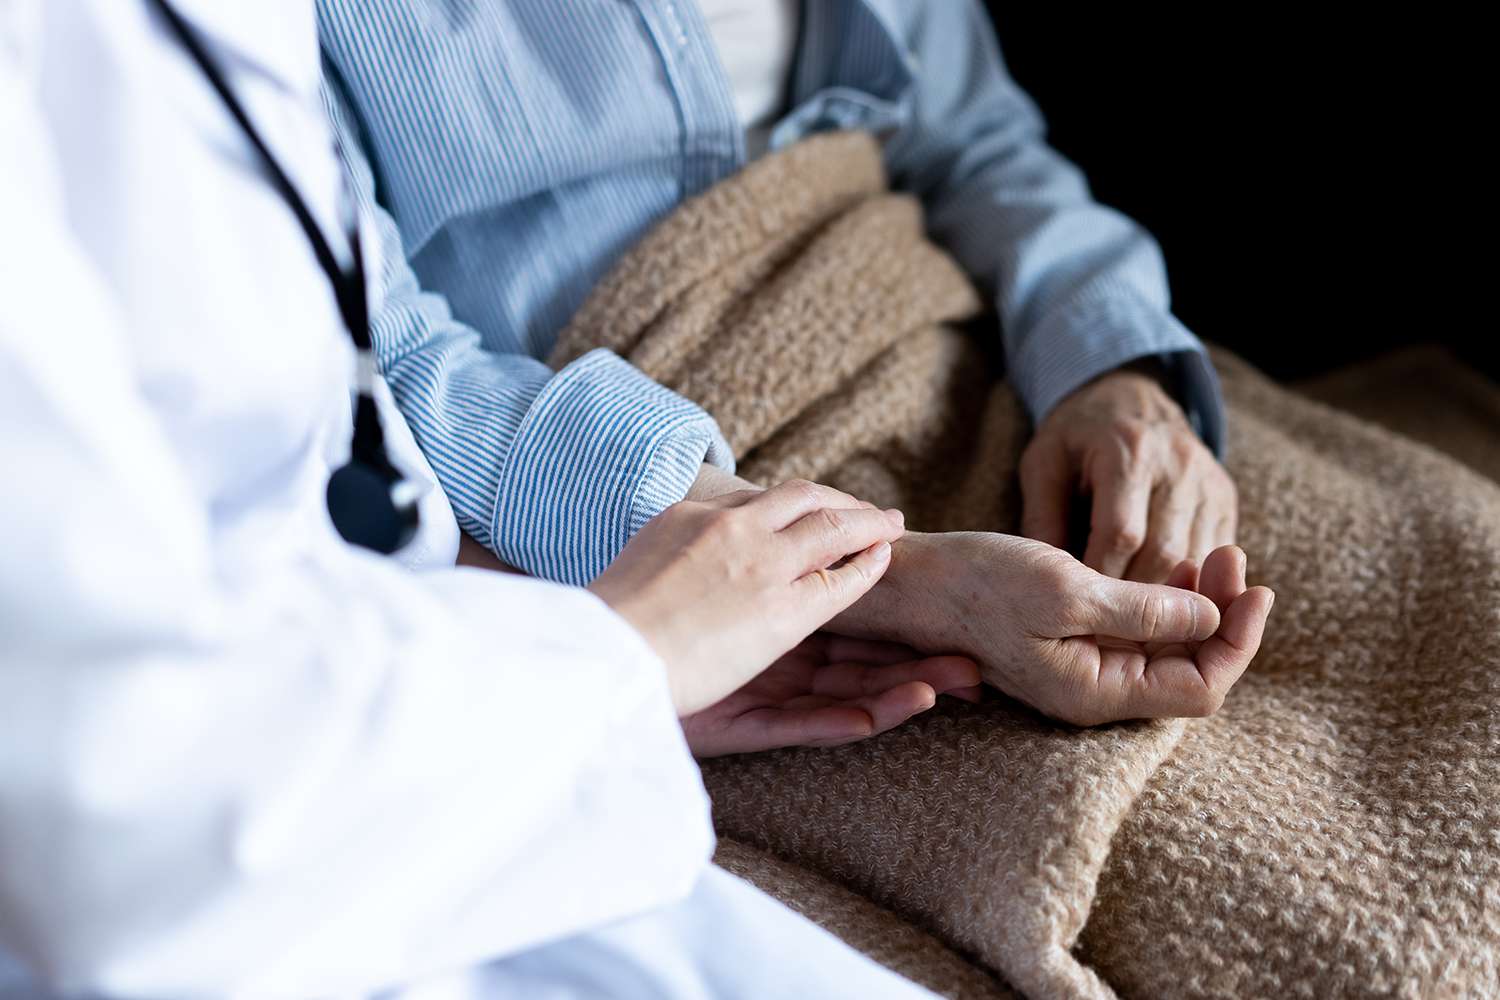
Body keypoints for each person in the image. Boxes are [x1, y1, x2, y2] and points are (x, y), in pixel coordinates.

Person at [0, 1, 1002, 994]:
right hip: (292, 835)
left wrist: (536, 648)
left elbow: (330, 445)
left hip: (443, 688)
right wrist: (624, 651)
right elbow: (118, 816)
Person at [315, 0, 1267, 727]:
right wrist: (875, 582)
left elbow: (971, 144)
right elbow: (357, 351)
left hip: (964, 351)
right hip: (620, 502)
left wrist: (1111, 368)